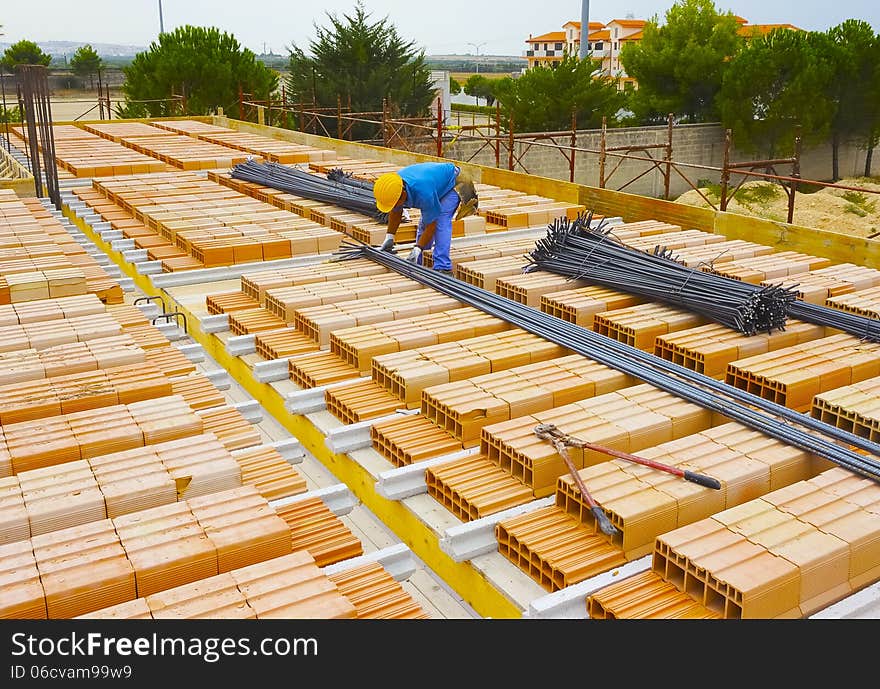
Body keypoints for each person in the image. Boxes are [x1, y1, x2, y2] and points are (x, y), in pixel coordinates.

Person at [372, 162, 478, 274]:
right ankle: (419, 259)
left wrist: (418, 247)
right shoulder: (395, 187)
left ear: (403, 194)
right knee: (424, 222)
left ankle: (443, 266)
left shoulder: (423, 193)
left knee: (441, 220)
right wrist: (389, 238)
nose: (394, 206)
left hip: (456, 183)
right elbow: (396, 212)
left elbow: (432, 225)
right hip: (436, 184)